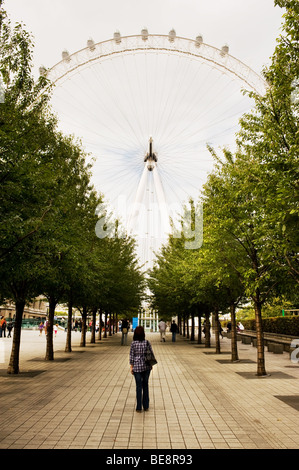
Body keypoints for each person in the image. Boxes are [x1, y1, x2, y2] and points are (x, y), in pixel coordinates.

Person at [129, 326, 154, 412]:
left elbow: (131, 356)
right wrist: (151, 365)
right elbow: (151, 353)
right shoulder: (147, 342)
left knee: (138, 386)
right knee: (145, 385)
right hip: (146, 367)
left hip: (137, 368)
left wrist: (131, 367)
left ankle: (139, 407)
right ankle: (146, 405)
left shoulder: (133, 344)